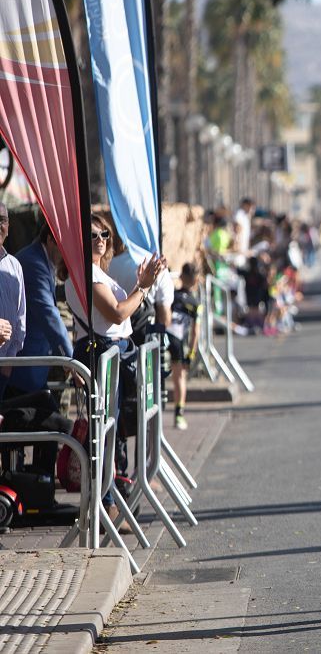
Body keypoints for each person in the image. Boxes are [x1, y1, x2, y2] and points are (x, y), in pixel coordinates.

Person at [66, 214, 165, 520]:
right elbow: (118, 313)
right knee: (106, 432)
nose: (100, 240)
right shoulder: (86, 276)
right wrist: (143, 288)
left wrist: (141, 286)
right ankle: (104, 503)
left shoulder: (98, 273)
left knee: (113, 431)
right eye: (93, 235)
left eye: (104, 234)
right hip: (103, 353)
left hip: (112, 352)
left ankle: (111, 497)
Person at [8, 220, 72, 397]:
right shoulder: (34, 263)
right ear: (50, 239)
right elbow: (49, 315)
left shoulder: (40, 259)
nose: (68, 252)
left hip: (30, 368)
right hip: (22, 370)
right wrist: (71, 360)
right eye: (64, 245)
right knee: (54, 423)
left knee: (53, 422)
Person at [167, 263, 200, 430]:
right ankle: (179, 414)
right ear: (196, 280)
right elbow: (195, 331)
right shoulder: (195, 302)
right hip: (179, 340)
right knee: (180, 378)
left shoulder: (172, 295)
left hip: (165, 335)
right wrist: (192, 353)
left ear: (181, 277)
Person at [0, 203, 26, 396]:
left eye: (2, 220)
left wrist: (7, 365)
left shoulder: (14, 266)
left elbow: (20, 319)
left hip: (4, 368)